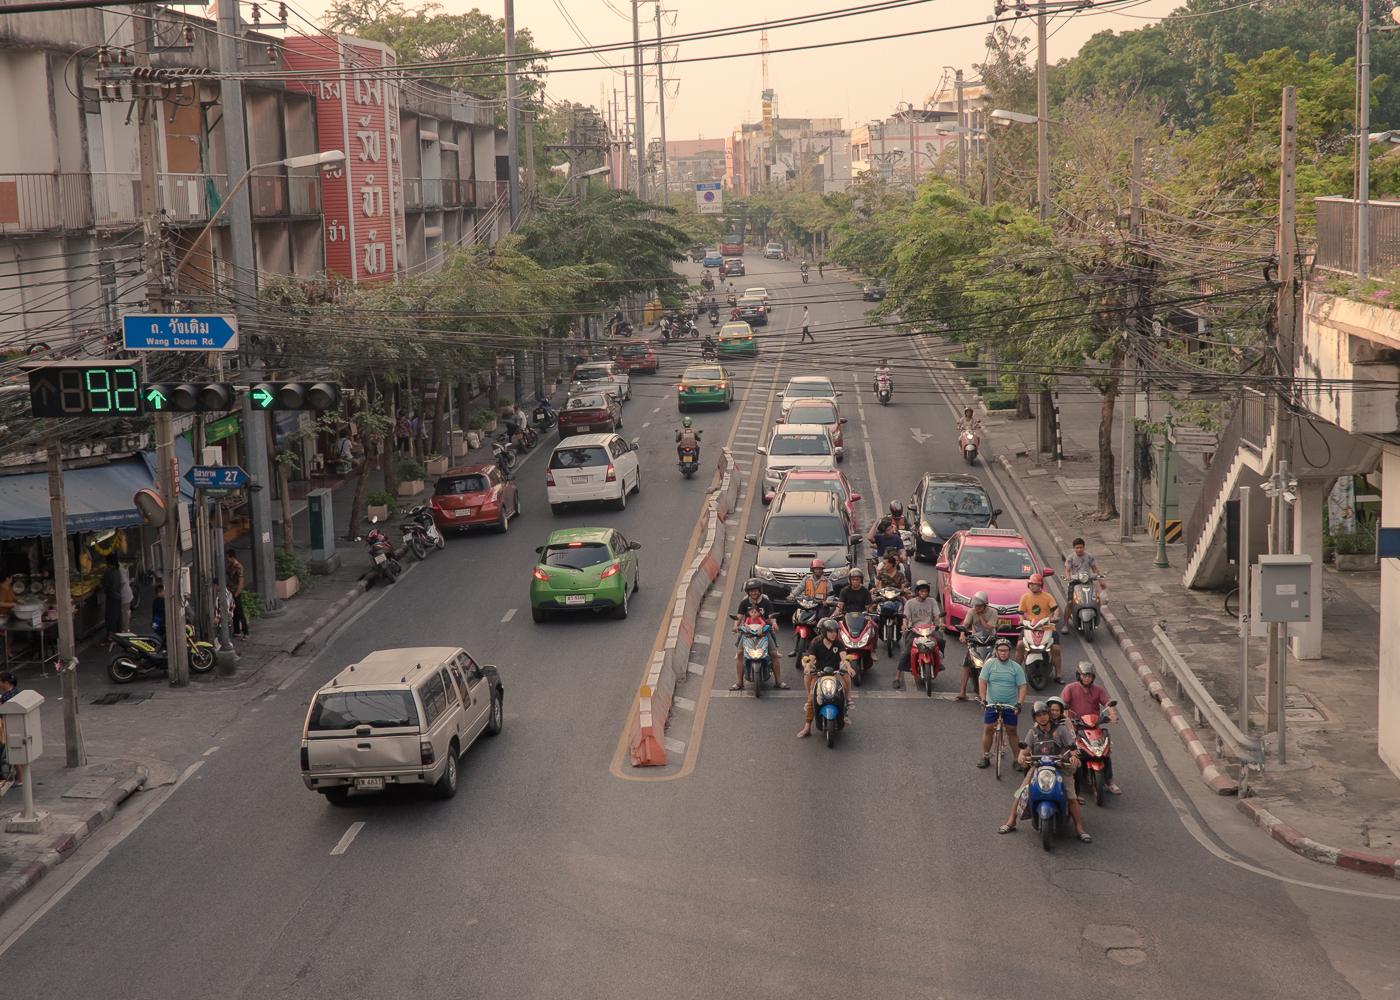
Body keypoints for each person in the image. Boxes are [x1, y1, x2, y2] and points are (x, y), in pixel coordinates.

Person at [998, 701, 1091, 841]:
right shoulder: (1032, 733)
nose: (1042, 717)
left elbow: (1073, 749)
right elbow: (1025, 749)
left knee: (1071, 797)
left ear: (1048, 715)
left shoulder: (1060, 730)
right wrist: (1022, 757)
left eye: (1044, 714)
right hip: (1038, 768)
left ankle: (1079, 829)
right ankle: (1011, 821)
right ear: (1034, 718)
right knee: (1021, 792)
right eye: (1038, 715)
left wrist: (1073, 757)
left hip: (1060, 768)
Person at [1062, 662, 1121, 794]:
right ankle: (1069, 778)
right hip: (1076, 728)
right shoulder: (1070, 688)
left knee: (1105, 750)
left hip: (1094, 728)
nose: (1086, 678)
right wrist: (1066, 718)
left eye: (1089, 675)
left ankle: (1109, 780)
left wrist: (1112, 713)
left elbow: (1107, 702)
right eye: (1084, 675)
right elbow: (1063, 705)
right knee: (1071, 751)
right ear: (1079, 675)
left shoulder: (1098, 690)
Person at [797, 618, 854, 738]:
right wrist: (808, 666)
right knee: (813, 698)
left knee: (841, 692)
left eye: (835, 631)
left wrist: (849, 667)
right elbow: (811, 659)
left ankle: (845, 709)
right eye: (830, 631)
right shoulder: (817, 644)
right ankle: (807, 727)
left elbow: (844, 658)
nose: (833, 634)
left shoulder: (838, 643)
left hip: (835, 673)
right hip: (819, 674)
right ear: (824, 632)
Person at [977, 637, 1026, 768]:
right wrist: (983, 700)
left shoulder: (1016, 668)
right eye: (1000, 650)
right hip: (993, 704)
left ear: (1010, 652)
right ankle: (985, 756)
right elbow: (982, 682)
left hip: (1009, 706)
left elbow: (1022, 687)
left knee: (1012, 732)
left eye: (1006, 651)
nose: (1003, 653)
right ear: (996, 652)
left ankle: (1017, 759)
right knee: (988, 730)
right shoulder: (989, 664)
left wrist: (1019, 703)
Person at [730, 579, 786, 691]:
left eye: (755, 590)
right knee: (740, 654)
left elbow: (771, 616)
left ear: (759, 590)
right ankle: (740, 682)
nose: (754, 593)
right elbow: (739, 617)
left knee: (773, 654)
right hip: (748, 633)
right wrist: (736, 626)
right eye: (751, 591)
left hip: (764, 632)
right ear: (748, 592)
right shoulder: (744, 603)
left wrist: (774, 624)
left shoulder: (766, 602)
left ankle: (778, 682)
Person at [894, 579, 944, 689]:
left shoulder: (932, 602)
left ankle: (939, 660)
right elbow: (906, 617)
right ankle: (897, 677)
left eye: (925, 591)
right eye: (922, 591)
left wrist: (940, 622)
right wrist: (904, 625)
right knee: (907, 651)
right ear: (917, 592)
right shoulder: (910, 603)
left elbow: (937, 614)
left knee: (940, 640)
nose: (924, 593)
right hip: (915, 630)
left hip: (929, 630)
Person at [1015, 574, 1063, 683]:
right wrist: (1021, 620)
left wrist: (1055, 616)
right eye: (1031, 584)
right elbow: (1021, 612)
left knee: (1056, 649)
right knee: (1019, 645)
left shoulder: (1047, 596)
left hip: (1046, 626)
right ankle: (1015, 670)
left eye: (1035, 584)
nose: (1032, 586)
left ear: (1040, 585)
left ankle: (1058, 675)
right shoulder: (1025, 597)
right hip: (1030, 627)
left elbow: (1055, 609)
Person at [955, 592, 999, 702]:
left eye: (979, 606)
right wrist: (962, 634)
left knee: (999, 662)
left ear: (985, 605)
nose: (976, 608)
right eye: (976, 606)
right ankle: (962, 692)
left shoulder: (993, 612)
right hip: (976, 641)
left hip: (990, 641)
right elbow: (964, 626)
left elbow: (989, 629)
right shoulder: (971, 612)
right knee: (966, 665)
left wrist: (980, 616)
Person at [1062, 537, 1105, 635]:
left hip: (1088, 581)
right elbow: (1067, 570)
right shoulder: (1071, 558)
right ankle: (1065, 624)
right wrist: (1068, 577)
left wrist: (1100, 581)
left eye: (1081, 548)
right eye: (1077, 548)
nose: (1079, 550)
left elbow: (1095, 569)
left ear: (1084, 547)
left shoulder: (1089, 556)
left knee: (1095, 600)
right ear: (1074, 548)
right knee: (1070, 602)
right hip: (1075, 582)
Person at [225, 548, 249, 639]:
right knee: (233, 611)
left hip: (235, 592)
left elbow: (240, 582)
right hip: (230, 592)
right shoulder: (230, 568)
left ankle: (245, 632)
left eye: (228, 558)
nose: (227, 560)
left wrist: (236, 594)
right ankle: (237, 631)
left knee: (239, 612)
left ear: (232, 557)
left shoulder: (239, 567)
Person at [102, 552, 124, 644]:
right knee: (117, 617)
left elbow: (103, 585)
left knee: (111, 618)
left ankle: (111, 637)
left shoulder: (109, 574)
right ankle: (117, 635)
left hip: (112, 598)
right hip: (118, 597)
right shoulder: (118, 571)